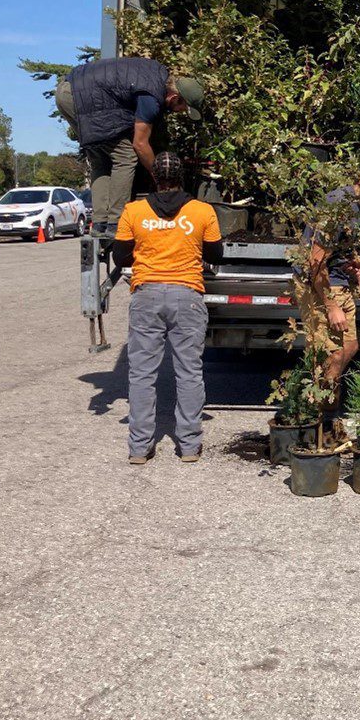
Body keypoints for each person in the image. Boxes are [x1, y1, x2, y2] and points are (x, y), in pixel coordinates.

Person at [112, 152, 223, 465]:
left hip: (146, 295)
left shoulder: (133, 211)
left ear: (154, 178)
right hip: (187, 295)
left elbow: (120, 256)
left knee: (142, 375)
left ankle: (139, 448)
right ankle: (188, 446)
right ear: (182, 178)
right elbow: (216, 253)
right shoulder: (202, 211)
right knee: (189, 372)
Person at [293, 161, 360, 415]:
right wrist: (330, 305)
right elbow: (316, 261)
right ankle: (319, 416)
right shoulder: (337, 207)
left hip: (340, 282)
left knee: (348, 347)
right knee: (330, 353)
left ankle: (325, 407)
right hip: (320, 285)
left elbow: (346, 245)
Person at [61, 56, 204, 238]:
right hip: (83, 97)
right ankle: (116, 222)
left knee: (100, 157)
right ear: (174, 97)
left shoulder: (157, 75)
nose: (180, 113)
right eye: (182, 108)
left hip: (69, 91)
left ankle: (99, 223)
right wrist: (159, 175)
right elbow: (140, 144)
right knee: (125, 156)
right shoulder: (151, 98)